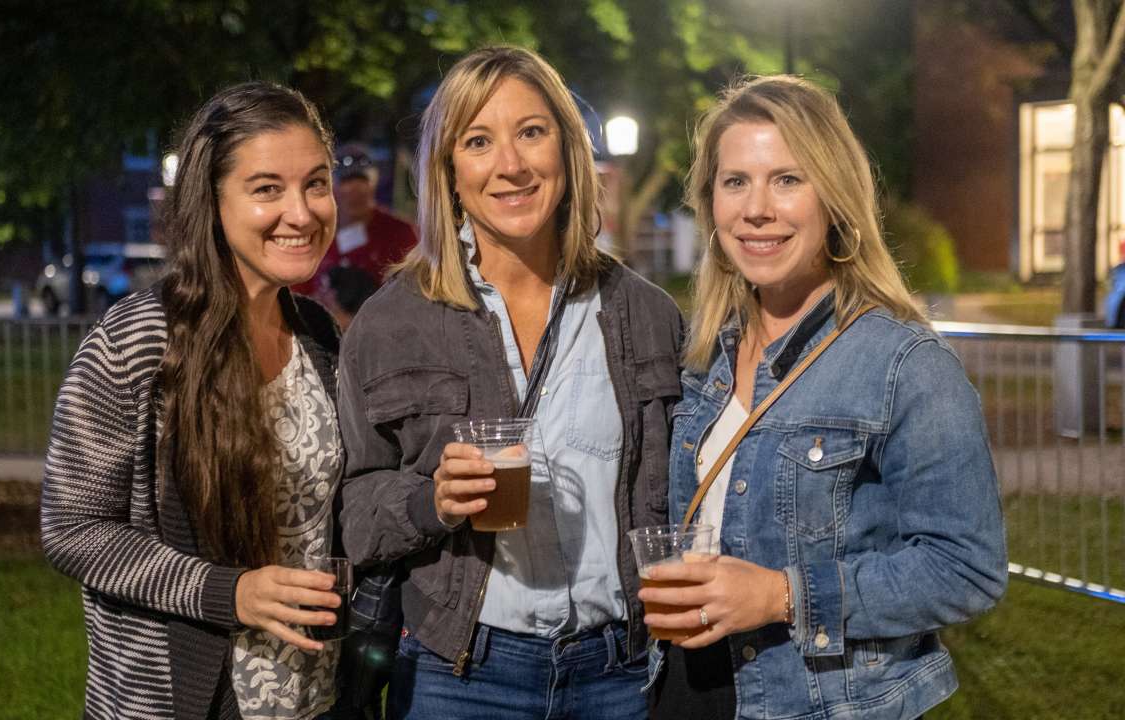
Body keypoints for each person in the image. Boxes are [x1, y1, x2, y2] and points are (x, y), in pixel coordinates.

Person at [641, 75, 1007, 720]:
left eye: (787, 179)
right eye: (736, 182)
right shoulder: (704, 360)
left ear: (834, 198)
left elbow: (967, 569)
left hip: (819, 703)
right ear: (711, 205)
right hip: (686, 689)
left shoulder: (906, 364)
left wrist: (784, 595)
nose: (757, 208)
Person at [336, 45, 684, 720]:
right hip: (459, 675)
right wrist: (428, 502)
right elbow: (349, 508)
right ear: (449, 170)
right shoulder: (392, 323)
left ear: (567, 148)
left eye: (532, 131)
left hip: (622, 673)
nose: (512, 165)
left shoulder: (647, 314)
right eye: (478, 141)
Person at [41, 81, 355, 720]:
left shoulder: (320, 336)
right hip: (177, 699)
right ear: (211, 202)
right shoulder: (137, 340)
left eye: (316, 183)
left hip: (311, 697)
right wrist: (226, 592)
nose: (301, 211)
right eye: (267, 188)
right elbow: (72, 529)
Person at [296, 143, 417, 327]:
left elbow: (415, 297)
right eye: (346, 182)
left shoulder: (400, 232)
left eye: (362, 181)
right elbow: (296, 294)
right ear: (331, 188)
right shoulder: (312, 233)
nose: (354, 191)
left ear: (374, 184)